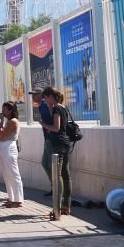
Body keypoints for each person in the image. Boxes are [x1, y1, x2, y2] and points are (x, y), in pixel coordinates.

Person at [42, 87, 73, 217]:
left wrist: (44, 125)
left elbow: (56, 128)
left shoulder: (56, 108)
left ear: (50, 96)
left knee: (57, 175)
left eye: (45, 98)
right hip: (66, 143)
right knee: (66, 175)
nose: (45, 101)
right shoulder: (63, 107)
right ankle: (66, 206)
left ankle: (57, 208)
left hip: (58, 145)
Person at [0, 102, 24, 208]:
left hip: (9, 147)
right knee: (7, 174)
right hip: (4, 147)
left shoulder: (13, 121)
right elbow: (1, 135)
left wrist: (1, 122)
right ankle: (12, 198)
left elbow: (1, 135)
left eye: (4, 110)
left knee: (13, 173)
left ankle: (18, 200)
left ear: (10, 110)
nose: (2, 112)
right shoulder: (9, 121)